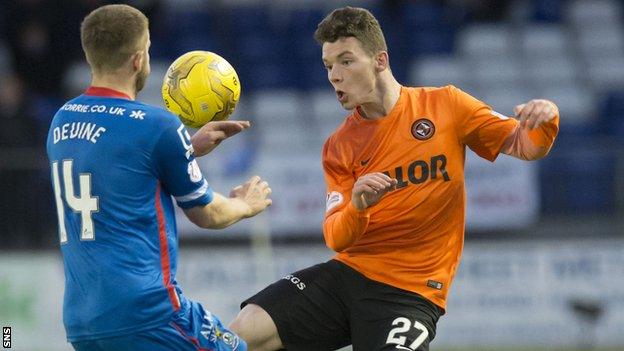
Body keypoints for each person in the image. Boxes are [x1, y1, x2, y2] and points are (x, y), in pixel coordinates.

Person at [229, 6, 559, 351]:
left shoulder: (447, 105)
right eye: (328, 65)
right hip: (348, 275)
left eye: (345, 61)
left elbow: (524, 145)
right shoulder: (339, 146)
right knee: (243, 332)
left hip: (410, 293)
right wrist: (358, 206)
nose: (334, 76)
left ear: (380, 61)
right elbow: (336, 237)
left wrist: (547, 119)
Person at [46, 4, 270, 351]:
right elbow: (207, 214)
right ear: (138, 60)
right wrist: (245, 204)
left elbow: (114, 170)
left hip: (83, 321)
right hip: (149, 313)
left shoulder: (61, 121)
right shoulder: (158, 125)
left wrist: (186, 151)